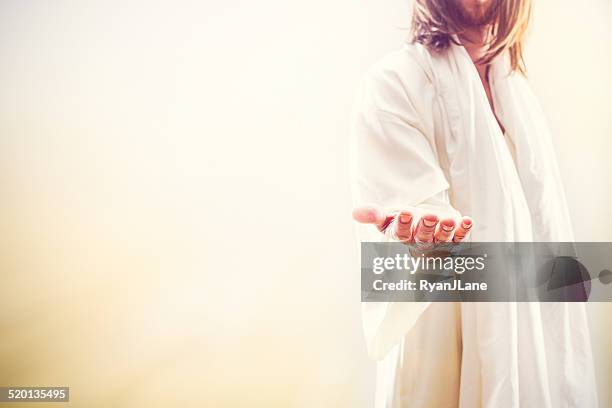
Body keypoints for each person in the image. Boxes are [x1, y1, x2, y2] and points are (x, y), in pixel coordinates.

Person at [350, 0, 599, 406]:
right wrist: (424, 240)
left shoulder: (519, 95)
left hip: (538, 364)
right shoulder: (394, 83)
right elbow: (406, 240)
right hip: (440, 359)